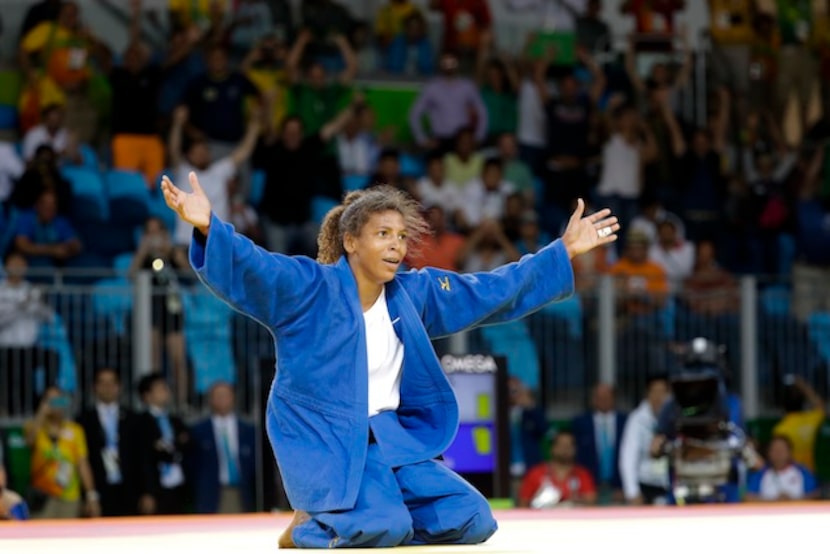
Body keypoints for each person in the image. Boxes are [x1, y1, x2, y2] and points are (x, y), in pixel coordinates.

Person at [160, 171, 618, 548]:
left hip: (393, 441)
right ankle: (311, 526)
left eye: (401, 236)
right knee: (387, 526)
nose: (397, 246)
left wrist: (563, 252)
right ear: (351, 241)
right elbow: (254, 266)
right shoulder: (308, 288)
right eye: (383, 235)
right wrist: (208, 227)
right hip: (328, 440)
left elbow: (490, 291)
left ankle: (360, 512)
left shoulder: (413, 293)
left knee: (473, 519)